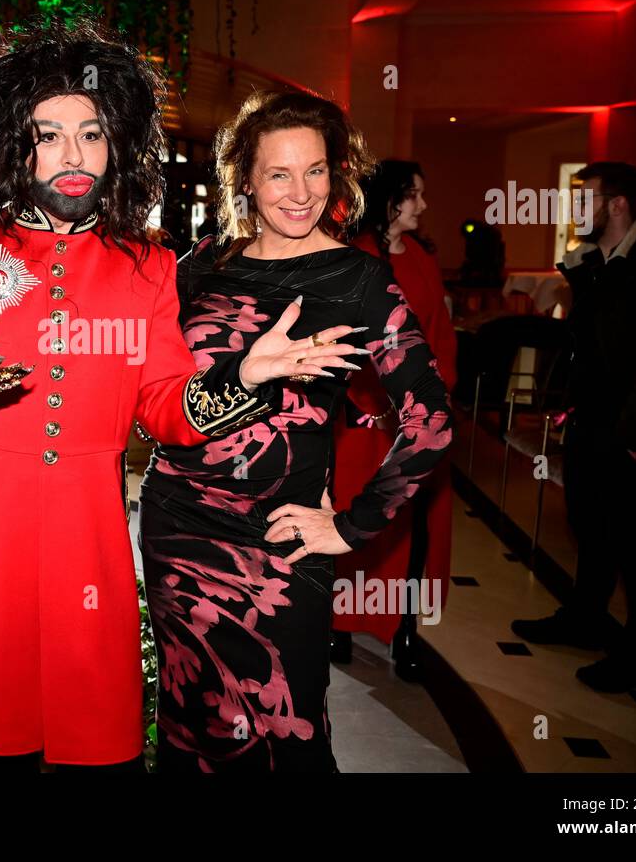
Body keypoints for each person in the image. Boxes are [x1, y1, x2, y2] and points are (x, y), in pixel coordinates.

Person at [0, 22, 338, 771]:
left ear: (118, 145)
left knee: (97, 739)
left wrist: (244, 378)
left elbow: (165, 404)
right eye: (49, 135)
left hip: (86, 535)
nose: (74, 156)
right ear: (12, 144)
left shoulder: (148, 265)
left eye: (93, 134)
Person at [138, 91, 453, 771]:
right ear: (245, 181)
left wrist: (348, 526)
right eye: (279, 173)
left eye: (315, 170)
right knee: (191, 726)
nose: (300, 192)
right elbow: (158, 399)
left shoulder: (360, 280)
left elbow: (431, 422)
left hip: (282, 546)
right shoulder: (200, 268)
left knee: (288, 726)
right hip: (179, 530)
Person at [511, 162, 636, 693]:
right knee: (589, 522)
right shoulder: (600, 261)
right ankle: (584, 617)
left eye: (584, 200)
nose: (575, 211)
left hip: (635, 427)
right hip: (595, 418)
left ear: (616, 205)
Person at [331, 160, 458, 678]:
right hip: (366, 421)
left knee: (414, 528)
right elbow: (347, 345)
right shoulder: (356, 257)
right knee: (357, 518)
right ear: (390, 201)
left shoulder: (424, 260)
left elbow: (440, 334)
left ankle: (403, 626)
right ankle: (339, 623)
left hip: (418, 418)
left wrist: (434, 402)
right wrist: (379, 407)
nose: (424, 206)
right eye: (416, 196)